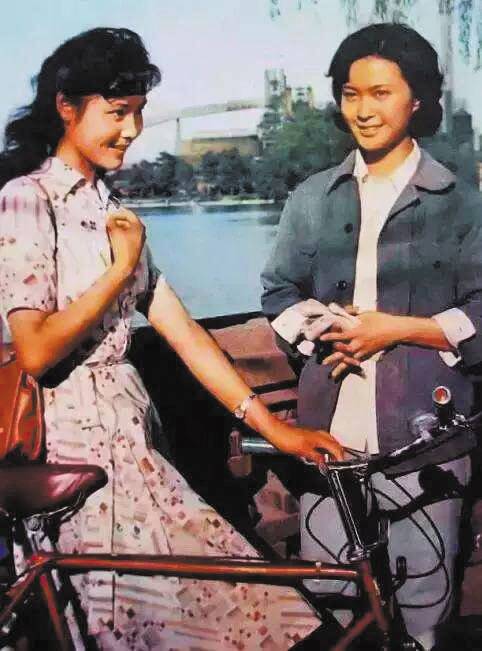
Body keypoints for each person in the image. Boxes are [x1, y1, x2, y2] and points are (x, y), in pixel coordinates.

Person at [0, 27, 344, 650]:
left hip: (136, 440)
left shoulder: (111, 208)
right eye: (117, 113)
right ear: (66, 107)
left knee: (255, 607)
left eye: (138, 113)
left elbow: (182, 332)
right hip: (74, 456)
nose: (132, 130)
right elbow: (36, 349)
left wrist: (275, 429)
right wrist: (117, 272)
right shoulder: (27, 200)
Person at [261, 22, 482, 650]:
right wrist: (321, 329)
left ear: (418, 99)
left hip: (426, 442)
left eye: (381, 93)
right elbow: (277, 292)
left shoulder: (462, 203)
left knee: (424, 613)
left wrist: (398, 330)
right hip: (328, 441)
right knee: (331, 607)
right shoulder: (311, 198)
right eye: (351, 93)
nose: (363, 109)